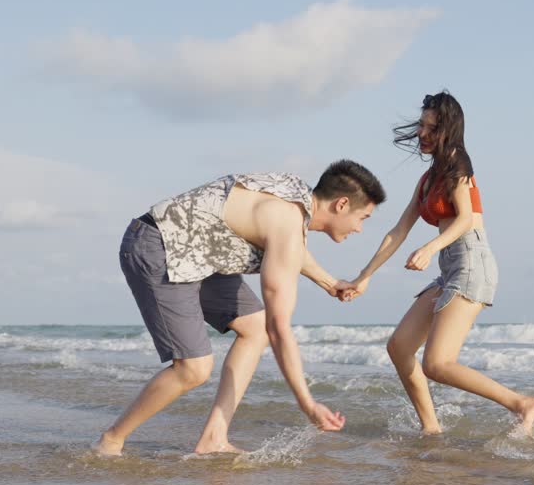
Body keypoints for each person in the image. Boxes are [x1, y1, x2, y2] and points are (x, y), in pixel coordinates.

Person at [91, 160, 386, 457]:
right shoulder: (287, 224)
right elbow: (279, 326)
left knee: (254, 329)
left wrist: (330, 282)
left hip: (200, 255)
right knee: (194, 369)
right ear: (341, 204)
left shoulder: (293, 198)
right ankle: (111, 440)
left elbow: (289, 250)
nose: (360, 229)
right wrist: (306, 402)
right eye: (363, 217)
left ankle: (214, 439)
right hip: (161, 245)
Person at [342, 92, 534, 434]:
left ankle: (522, 404)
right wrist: (364, 277)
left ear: (447, 131)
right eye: (421, 125)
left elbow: (466, 218)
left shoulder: (458, 165)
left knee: (437, 363)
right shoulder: (428, 179)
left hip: (471, 262)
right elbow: (398, 231)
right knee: (400, 347)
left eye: (431, 128)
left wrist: (431, 247)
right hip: (450, 267)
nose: (422, 133)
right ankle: (431, 428)